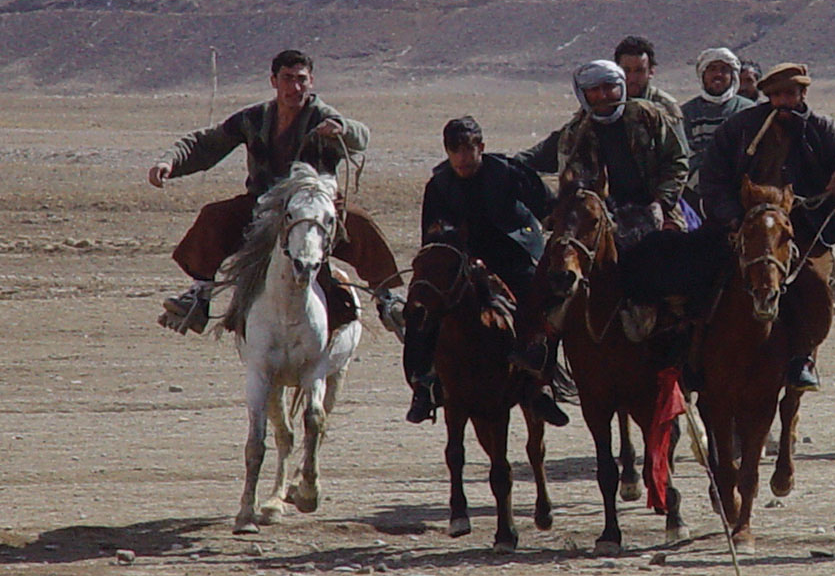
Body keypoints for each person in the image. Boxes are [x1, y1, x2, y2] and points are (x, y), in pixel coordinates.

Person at [148, 49, 403, 336]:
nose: (295, 87)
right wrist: (169, 161)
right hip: (264, 205)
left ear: (311, 81)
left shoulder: (321, 116)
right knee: (215, 216)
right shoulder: (254, 118)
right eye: (287, 79)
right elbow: (208, 143)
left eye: (301, 79)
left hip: (313, 205)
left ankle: (387, 298)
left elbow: (361, 136)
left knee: (360, 223)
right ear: (274, 81)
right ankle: (200, 296)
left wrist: (342, 129)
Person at [700, 62, 835, 389]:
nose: (783, 101)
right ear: (767, 96)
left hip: (801, 224)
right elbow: (712, 177)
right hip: (745, 221)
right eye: (777, 95)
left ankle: (802, 357)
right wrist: (731, 217)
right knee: (701, 277)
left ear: (802, 94)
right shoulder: (740, 128)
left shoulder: (819, 127)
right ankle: (692, 356)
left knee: (812, 283)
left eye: (790, 94)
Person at [511, 59, 690, 375]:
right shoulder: (575, 131)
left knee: (681, 273)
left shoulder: (649, 116)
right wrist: (500, 166)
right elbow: (538, 159)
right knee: (551, 269)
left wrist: (663, 202)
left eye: (610, 87)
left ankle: (686, 350)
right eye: (595, 89)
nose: (605, 95)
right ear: (584, 94)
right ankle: (542, 350)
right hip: (594, 215)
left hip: (652, 206)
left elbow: (677, 161)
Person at [403, 116, 568, 426]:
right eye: (456, 150)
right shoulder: (439, 185)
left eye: (469, 149)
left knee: (543, 301)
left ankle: (538, 384)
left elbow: (550, 207)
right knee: (421, 308)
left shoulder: (508, 172)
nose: (463, 158)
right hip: (460, 262)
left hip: (512, 256)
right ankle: (423, 383)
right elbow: (433, 236)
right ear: (447, 152)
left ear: (481, 147)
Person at [680, 47, 755, 206]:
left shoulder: (748, 111)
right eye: (712, 69)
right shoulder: (687, 113)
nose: (718, 75)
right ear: (703, 74)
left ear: (733, 75)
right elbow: (683, 155)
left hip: (739, 193)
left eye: (724, 70)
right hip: (695, 195)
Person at [614, 35, 684, 127]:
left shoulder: (666, 107)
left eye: (639, 71)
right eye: (626, 71)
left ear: (651, 71)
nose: (633, 78)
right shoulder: (608, 102)